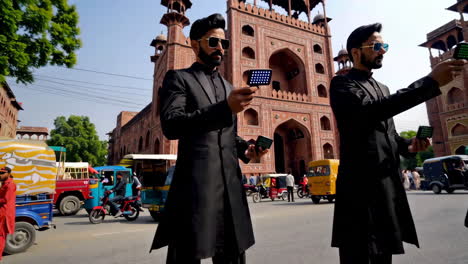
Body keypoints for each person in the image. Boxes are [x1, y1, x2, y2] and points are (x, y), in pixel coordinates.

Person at [329, 23, 465, 264]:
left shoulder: (382, 88)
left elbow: (387, 131)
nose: (383, 51)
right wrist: (430, 83)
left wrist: (408, 145)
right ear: (356, 52)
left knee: (384, 254)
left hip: (386, 187)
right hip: (360, 189)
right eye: (377, 46)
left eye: (385, 46)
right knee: (360, 253)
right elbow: (368, 114)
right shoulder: (341, 84)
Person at [150, 13, 268, 264]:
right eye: (213, 42)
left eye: (224, 44)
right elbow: (172, 125)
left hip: (230, 188)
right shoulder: (179, 79)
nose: (220, 48)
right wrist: (224, 108)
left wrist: (246, 150)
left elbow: (229, 135)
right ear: (195, 43)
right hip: (196, 187)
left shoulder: (228, 87)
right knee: (187, 254)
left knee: (232, 256)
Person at [0, 167, 16, 262]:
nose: (1, 174)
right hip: (2, 211)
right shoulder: (4, 183)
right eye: (0, 172)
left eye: (3, 173)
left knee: (1, 235)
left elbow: (5, 199)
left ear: (9, 174)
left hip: (4, 213)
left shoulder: (10, 185)